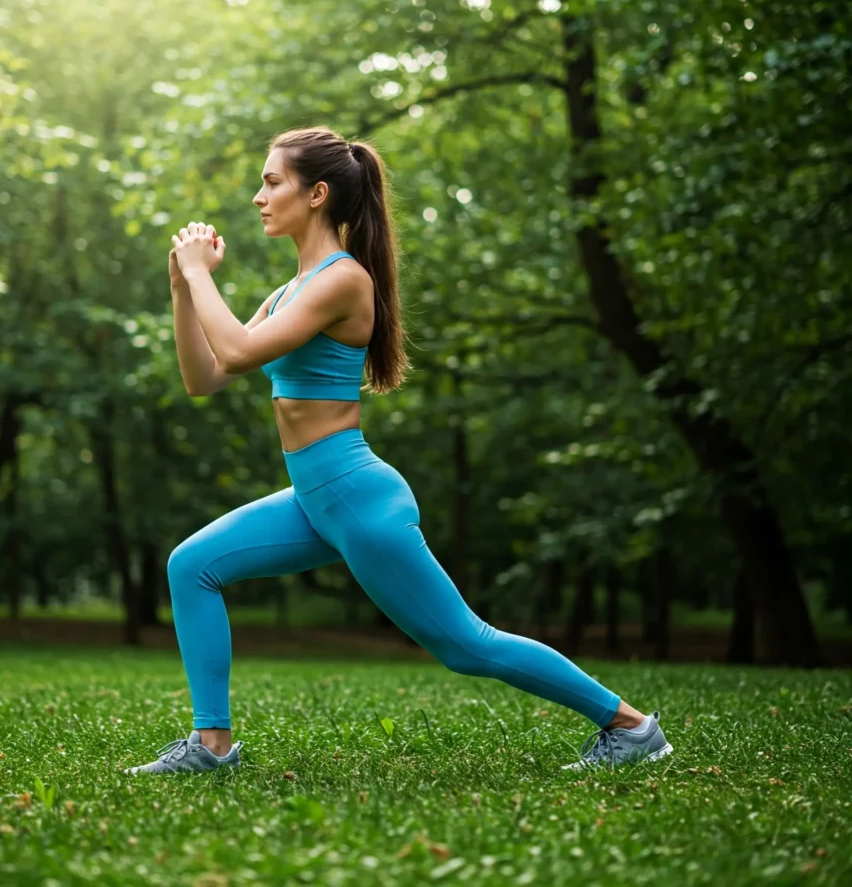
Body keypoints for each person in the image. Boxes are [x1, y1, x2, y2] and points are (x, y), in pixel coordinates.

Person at [126, 127, 671, 775]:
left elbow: (240, 353)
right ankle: (210, 747)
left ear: (318, 194)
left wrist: (198, 272)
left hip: (355, 497)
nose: (257, 197)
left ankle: (631, 727)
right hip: (313, 498)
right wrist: (181, 289)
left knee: (466, 645)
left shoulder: (344, 280)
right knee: (192, 566)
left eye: (272, 182)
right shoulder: (287, 293)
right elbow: (205, 378)